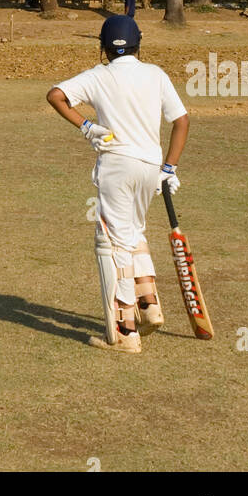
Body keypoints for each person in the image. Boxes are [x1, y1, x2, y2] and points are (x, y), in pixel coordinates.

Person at [46, 17, 190, 354]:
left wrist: (86, 126)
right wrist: (169, 168)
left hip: (116, 166)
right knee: (134, 232)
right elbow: (181, 121)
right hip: (149, 166)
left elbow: (55, 96)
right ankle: (148, 305)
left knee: (113, 244)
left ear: (103, 47)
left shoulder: (99, 75)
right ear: (140, 44)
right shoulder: (155, 74)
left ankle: (125, 332)